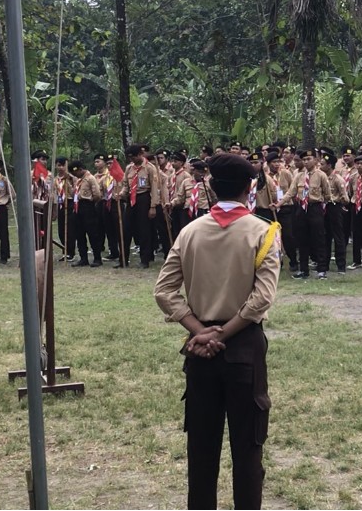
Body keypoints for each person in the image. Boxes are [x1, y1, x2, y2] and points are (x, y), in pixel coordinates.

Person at [153, 153, 281, 510]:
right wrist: (223, 335)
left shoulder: (189, 232)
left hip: (198, 349)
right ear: (250, 187)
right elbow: (260, 300)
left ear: (209, 185)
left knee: (201, 450)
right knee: (248, 450)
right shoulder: (264, 232)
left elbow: (164, 291)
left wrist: (200, 331)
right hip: (243, 345)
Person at [279, 149, 334, 279]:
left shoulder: (321, 175)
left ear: (315, 160)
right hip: (301, 209)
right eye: (304, 160)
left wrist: (321, 206)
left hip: (315, 208)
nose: (306, 162)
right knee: (302, 239)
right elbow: (290, 192)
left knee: (319, 238)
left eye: (309, 159)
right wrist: (279, 204)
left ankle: (321, 269)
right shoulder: (299, 176)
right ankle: (304, 270)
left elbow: (327, 194)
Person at [125, 144, 164, 269]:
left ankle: (145, 259)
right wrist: (121, 194)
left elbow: (154, 188)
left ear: (140, 155)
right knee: (126, 228)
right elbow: (126, 185)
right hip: (131, 199)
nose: (132, 160)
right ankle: (123, 259)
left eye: (134, 157)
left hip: (144, 198)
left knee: (144, 230)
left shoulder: (150, 168)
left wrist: (153, 206)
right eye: (130, 158)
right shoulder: (129, 168)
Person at [68, 160, 104, 267]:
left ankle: (97, 258)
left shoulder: (90, 178)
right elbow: (74, 193)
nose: (74, 175)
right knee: (79, 234)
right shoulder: (78, 180)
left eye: (75, 172)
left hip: (88, 207)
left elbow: (97, 194)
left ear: (80, 169)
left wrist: (90, 203)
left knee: (92, 234)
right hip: (77, 206)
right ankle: (83, 258)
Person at [321, 152, 350, 274]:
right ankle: (325, 264)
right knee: (325, 237)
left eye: (322, 164)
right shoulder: (322, 178)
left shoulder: (338, 179)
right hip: (324, 208)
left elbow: (345, 198)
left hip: (335, 208)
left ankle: (341, 265)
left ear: (329, 165)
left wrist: (338, 203)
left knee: (338, 237)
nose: (320, 166)